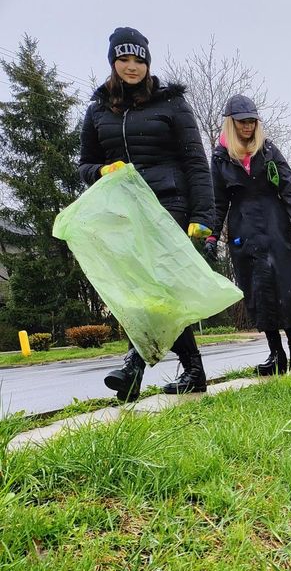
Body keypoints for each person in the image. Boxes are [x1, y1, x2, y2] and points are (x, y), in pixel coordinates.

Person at [79, 27, 214, 401]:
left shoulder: (171, 105)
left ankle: (132, 368)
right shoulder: (96, 112)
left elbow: (196, 163)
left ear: (148, 63)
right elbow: (84, 165)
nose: (132, 66)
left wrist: (204, 215)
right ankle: (193, 369)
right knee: (143, 292)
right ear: (112, 62)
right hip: (123, 212)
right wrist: (101, 172)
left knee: (157, 289)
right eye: (124, 59)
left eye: (139, 59)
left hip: (169, 205)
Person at [206, 95, 291, 374]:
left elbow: (288, 188)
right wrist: (212, 236)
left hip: (276, 225)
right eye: (242, 121)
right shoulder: (219, 158)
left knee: (285, 287)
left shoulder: (268, 151)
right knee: (258, 291)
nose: (248, 126)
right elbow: (218, 202)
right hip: (243, 230)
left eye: (252, 121)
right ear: (231, 123)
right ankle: (275, 354)